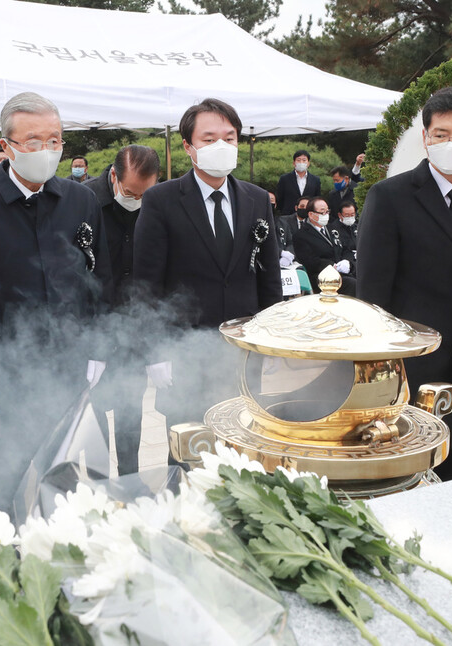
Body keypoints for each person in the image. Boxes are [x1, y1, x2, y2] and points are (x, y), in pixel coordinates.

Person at [0, 92, 111, 516]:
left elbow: (97, 280)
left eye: (54, 140)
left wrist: (97, 347)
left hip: (69, 364)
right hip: (5, 372)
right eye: (33, 141)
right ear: (7, 147)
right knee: (6, 480)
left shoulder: (80, 200)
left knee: (65, 475)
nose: (46, 150)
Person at [357, 85, 452, 481]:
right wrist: (377, 366)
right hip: (413, 367)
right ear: (425, 138)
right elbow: (372, 293)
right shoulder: (390, 197)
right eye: (441, 134)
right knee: (408, 472)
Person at [134, 98, 282, 446]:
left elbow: (269, 277)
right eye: (209, 138)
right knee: (191, 448)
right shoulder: (161, 200)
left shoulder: (257, 198)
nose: (221, 146)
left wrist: (273, 345)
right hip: (185, 349)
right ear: (188, 146)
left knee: (247, 445)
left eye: (229, 138)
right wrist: (154, 352)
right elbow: (146, 283)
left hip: (244, 351)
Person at [84, 145, 159, 475]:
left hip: (135, 327)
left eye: (145, 193)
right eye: (130, 192)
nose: (137, 199)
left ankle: (130, 479)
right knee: (94, 409)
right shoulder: (83, 202)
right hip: (94, 325)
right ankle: (99, 481)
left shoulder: (156, 204)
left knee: (131, 407)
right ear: (114, 176)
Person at [293, 197, 356, 296]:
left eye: (327, 211)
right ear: (311, 214)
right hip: (321, 276)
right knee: (352, 284)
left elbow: (345, 248)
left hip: (342, 273)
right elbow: (310, 261)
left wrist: (347, 262)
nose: (326, 215)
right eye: (322, 212)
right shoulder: (301, 235)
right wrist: (332, 266)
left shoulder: (332, 228)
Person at [275, 149, 321, 216]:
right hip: (288, 215)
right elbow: (280, 198)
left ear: (308, 163)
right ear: (294, 163)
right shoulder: (284, 179)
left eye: (304, 160)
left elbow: (316, 199)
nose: (301, 162)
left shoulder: (315, 180)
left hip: (308, 215)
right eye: (298, 160)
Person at [277, 196, 311, 264]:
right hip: (287, 258)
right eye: (302, 206)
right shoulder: (283, 221)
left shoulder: (312, 224)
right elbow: (289, 241)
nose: (304, 209)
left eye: (307, 207)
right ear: (296, 208)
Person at [328, 200, 359, 267]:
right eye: (347, 215)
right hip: (345, 263)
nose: (350, 217)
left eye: (352, 215)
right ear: (340, 215)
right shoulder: (333, 229)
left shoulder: (357, 227)